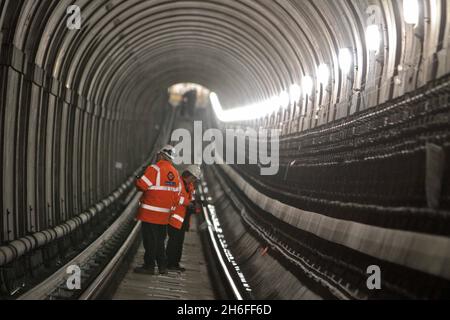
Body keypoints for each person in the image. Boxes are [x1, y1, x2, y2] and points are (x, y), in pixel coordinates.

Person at [134, 145, 181, 275]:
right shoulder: (175, 173)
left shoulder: (154, 169)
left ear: (161, 155)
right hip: (164, 216)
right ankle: (162, 266)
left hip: (150, 214)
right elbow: (177, 197)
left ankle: (149, 266)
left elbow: (141, 185)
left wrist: (137, 178)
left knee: (150, 241)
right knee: (160, 241)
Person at [166, 165, 202, 272]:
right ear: (189, 175)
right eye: (194, 178)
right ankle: (169, 263)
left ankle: (175, 263)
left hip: (183, 219)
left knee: (179, 242)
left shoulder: (189, 186)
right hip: (174, 218)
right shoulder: (178, 183)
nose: (194, 180)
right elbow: (176, 197)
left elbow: (190, 199)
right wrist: (189, 203)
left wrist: (194, 205)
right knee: (173, 242)